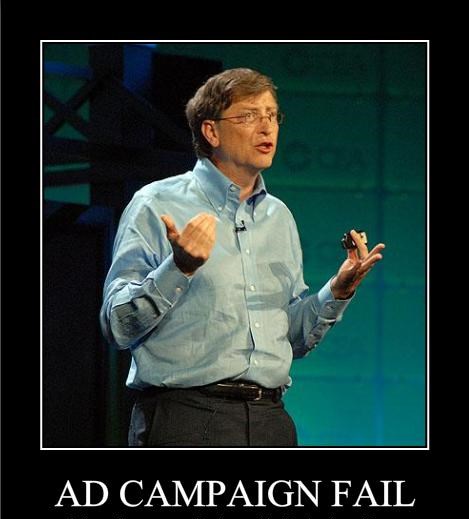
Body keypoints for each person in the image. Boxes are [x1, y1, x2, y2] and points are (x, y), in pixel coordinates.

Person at [100, 68, 385, 447]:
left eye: (272, 115)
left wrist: (337, 291)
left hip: (270, 422)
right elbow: (117, 325)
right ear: (211, 131)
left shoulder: (278, 217)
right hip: (186, 419)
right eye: (249, 116)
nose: (267, 127)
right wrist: (178, 267)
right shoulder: (156, 203)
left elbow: (288, 337)